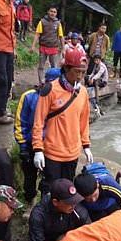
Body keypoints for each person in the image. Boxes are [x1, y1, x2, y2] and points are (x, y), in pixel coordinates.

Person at [32, 48, 92, 195]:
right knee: (50, 189)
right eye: (77, 71)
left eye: (83, 72)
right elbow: (38, 122)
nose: (80, 76)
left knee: (67, 190)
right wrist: (38, 149)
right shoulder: (50, 89)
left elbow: (83, 121)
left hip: (73, 152)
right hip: (53, 151)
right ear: (66, 68)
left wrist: (86, 145)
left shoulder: (82, 92)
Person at [14, 68, 61, 209]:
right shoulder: (29, 97)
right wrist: (23, 146)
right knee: (30, 177)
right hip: (31, 145)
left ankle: (45, 205)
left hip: (51, 147)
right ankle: (31, 201)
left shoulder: (62, 99)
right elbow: (20, 122)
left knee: (50, 178)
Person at [31, 5, 65, 85]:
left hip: (54, 47)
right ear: (48, 12)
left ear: (56, 13)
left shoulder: (58, 23)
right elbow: (37, 34)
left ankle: (53, 83)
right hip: (43, 47)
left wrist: (63, 49)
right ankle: (41, 82)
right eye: (51, 11)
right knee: (41, 66)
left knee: (54, 67)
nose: (52, 13)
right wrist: (33, 46)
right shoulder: (42, 21)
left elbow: (61, 36)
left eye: (54, 12)